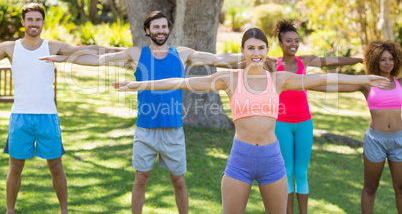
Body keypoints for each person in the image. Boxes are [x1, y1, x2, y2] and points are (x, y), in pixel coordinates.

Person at [111, 28, 389, 214]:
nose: (256, 52)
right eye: (250, 47)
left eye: (261, 47)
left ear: (268, 50)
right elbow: (182, 81)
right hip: (240, 160)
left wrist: (363, 78)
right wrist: (140, 84)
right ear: (242, 51)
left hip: (272, 158)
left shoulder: (279, 79)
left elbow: (323, 79)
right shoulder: (229, 79)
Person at [40, 10, 243, 214]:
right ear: (148, 30)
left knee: (179, 180)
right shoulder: (136, 54)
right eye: (156, 27)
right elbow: (100, 60)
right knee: (140, 179)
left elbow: (218, 59)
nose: (161, 30)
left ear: (168, 29)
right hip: (145, 129)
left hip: (173, 129)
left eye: (164, 26)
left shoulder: (182, 54)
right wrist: (63, 59)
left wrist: (252, 57)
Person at [0, 3, 121, 214]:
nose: (34, 23)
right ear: (23, 22)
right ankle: (10, 211)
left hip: (47, 117)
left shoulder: (52, 47)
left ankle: (64, 211)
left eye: (38, 19)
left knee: (56, 167)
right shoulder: (10, 48)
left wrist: (122, 51)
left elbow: (84, 50)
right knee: (15, 167)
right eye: (30, 19)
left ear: (43, 22)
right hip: (20, 117)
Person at [270, 20, 363, 214]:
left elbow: (333, 61)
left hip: (304, 123)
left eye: (296, 40)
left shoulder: (304, 61)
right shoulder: (272, 64)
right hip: (281, 124)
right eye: (288, 40)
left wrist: (360, 60)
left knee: (301, 173)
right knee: (286, 172)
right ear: (280, 43)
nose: (293, 44)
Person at [310, 40, 402, 214]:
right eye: (383, 59)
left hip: (399, 140)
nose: (388, 63)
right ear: (375, 61)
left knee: (401, 189)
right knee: (370, 188)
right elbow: (334, 86)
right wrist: (303, 85)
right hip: (376, 141)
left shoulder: (400, 83)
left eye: (391, 59)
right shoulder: (367, 83)